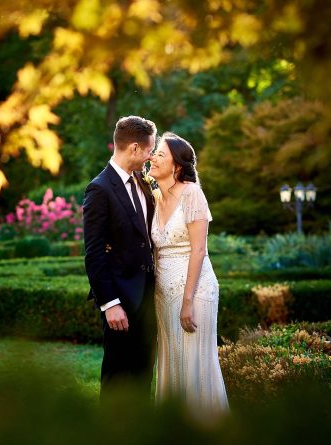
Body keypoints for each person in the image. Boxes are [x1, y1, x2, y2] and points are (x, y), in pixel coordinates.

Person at [148, 132, 229, 415]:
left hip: (195, 293)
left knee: (195, 364)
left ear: (177, 166)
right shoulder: (154, 197)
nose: (152, 157)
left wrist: (186, 301)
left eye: (160, 154)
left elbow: (199, 250)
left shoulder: (192, 193)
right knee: (172, 362)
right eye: (154, 152)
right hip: (163, 294)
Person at [83, 115, 157, 398]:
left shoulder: (143, 182)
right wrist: (109, 304)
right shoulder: (99, 189)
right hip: (121, 301)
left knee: (143, 373)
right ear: (135, 149)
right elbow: (94, 253)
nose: (150, 157)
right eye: (149, 150)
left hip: (148, 296)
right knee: (117, 375)